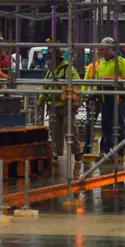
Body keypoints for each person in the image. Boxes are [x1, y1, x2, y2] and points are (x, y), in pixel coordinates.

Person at [84, 37, 125, 158]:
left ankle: (119, 150)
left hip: (116, 98)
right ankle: (108, 149)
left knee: (118, 125)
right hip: (103, 98)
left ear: (109, 50)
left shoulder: (121, 62)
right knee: (105, 125)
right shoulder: (102, 63)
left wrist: (113, 82)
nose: (99, 52)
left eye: (102, 49)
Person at [40, 44, 83, 175]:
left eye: (50, 59)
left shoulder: (67, 70)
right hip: (54, 107)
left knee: (70, 129)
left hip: (66, 106)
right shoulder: (49, 73)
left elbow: (77, 84)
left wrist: (76, 100)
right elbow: (45, 89)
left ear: (57, 59)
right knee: (55, 133)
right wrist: (40, 102)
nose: (47, 62)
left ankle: (77, 155)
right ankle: (57, 155)